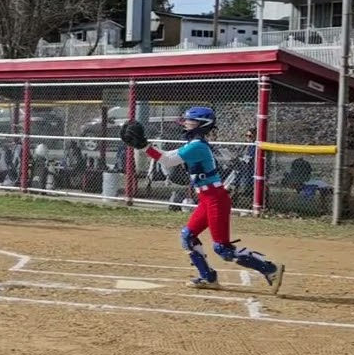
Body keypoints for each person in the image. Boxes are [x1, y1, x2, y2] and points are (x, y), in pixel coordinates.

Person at [119, 106, 285, 293]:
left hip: (216, 199)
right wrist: (145, 146)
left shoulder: (197, 146)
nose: (186, 123)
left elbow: (168, 160)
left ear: (202, 125)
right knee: (188, 236)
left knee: (223, 249)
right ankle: (208, 277)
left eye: (191, 121)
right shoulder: (194, 144)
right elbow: (170, 158)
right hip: (207, 199)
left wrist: (144, 146)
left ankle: (271, 269)